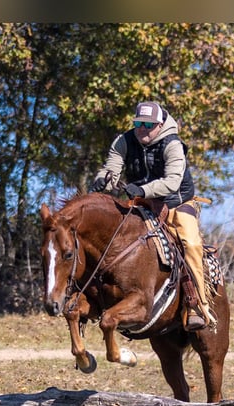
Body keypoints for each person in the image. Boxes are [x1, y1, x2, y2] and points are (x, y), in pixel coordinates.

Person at [90, 101, 216, 331]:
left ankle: (197, 304)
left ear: (160, 125)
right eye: (138, 123)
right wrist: (104, 178)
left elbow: (172, 182)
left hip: (177, 203)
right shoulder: (124, 141)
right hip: (139, 202)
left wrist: (144, 190)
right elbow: (112, 166)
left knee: (191, 243)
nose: (142, 129)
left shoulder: (173, 144)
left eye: (149, 124)